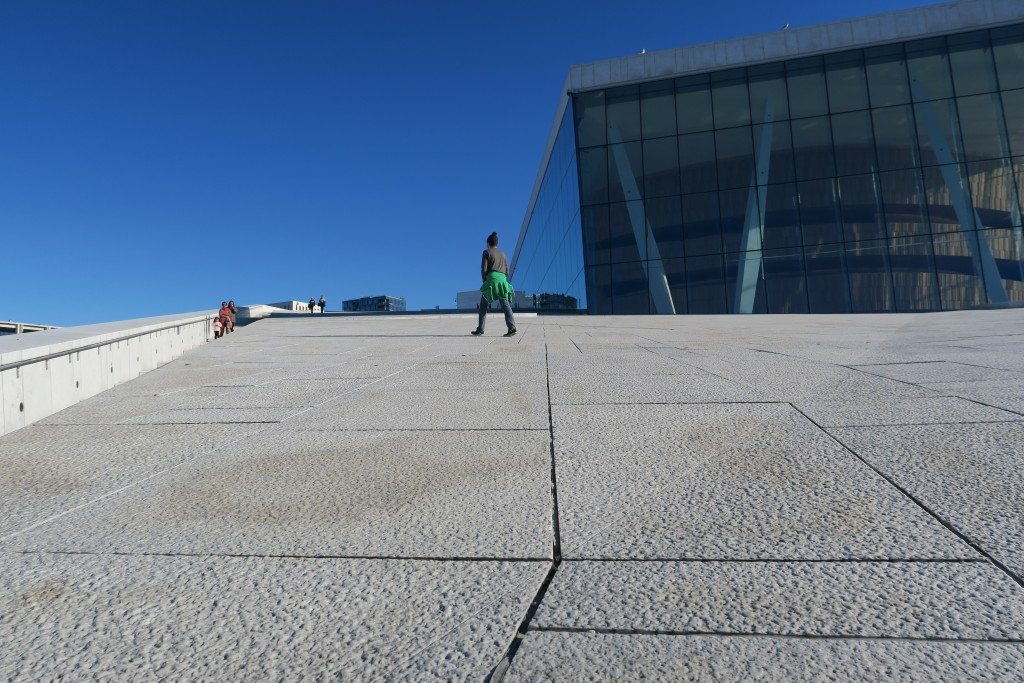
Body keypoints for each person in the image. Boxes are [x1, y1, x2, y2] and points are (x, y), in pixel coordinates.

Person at [471, 231, 516, 337]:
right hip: (502, 280)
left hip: (491, 280)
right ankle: (512, 328)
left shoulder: (486, 252)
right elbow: (507, 270)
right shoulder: (503, 254)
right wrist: (503, 279)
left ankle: (480, 329)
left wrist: (484, 281)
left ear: (488, 243)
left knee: (483, 305)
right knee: (505, 304)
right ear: (497, 243)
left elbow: (484, 268)